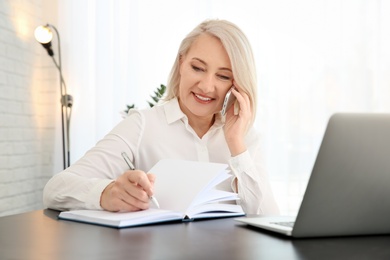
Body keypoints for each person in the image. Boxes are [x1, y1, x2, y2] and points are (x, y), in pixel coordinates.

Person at [43, 19, 279, 215]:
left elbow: (267, 217)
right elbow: (55, 189)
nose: (207, 86)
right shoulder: (143, 125)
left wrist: (236, 145)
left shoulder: (244, 136)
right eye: (197, 68)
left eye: (223, 76)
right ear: (181, 63)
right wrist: (108, 192)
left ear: (236, 85)